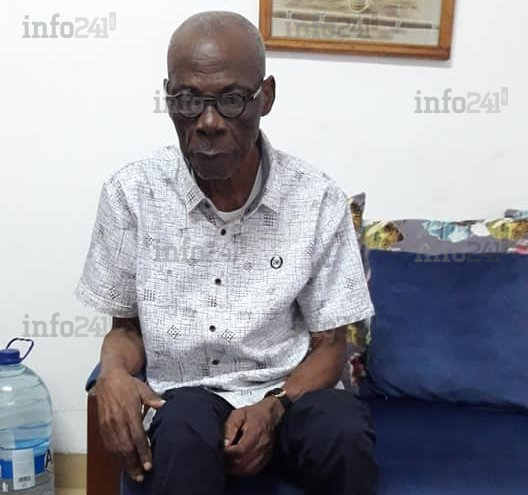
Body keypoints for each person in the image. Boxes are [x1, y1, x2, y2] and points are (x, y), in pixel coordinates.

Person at [76, 10, 377, 495]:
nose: (209, 122)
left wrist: (274, 406)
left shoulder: (315, 198)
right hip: (186, 394)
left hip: (289, 392)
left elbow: (330, 346)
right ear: (168, 98)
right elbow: (126, 329)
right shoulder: (132, 194)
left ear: (266, 96)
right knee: (182, 432)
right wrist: (111, 372)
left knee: (342, 433)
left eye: (232, 100)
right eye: (188, 101)